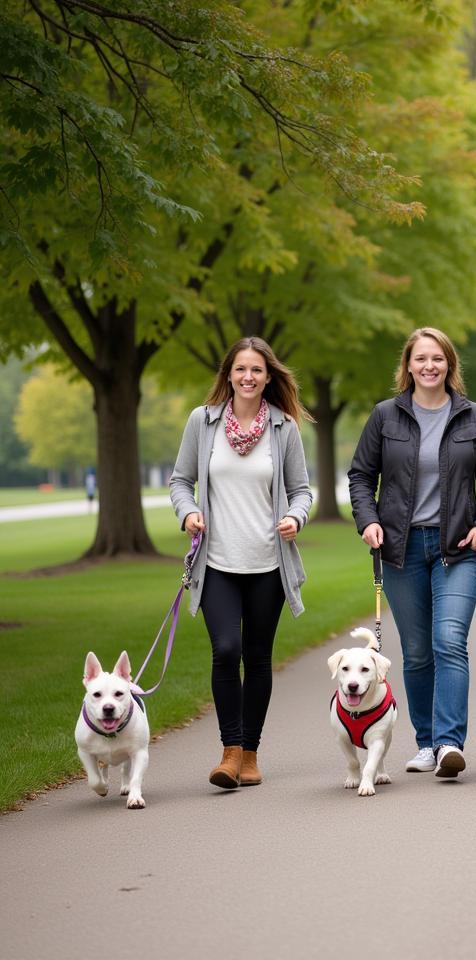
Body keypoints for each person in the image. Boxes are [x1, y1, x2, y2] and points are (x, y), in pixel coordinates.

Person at [348, 327, 476, 779]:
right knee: (417, 651)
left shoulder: (474, 417)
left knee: (449, 641)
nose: (429, 366)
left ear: (450, 364)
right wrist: (369, 520)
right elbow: (361, 475)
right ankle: (425, 742)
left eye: (437, 358)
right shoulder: (385, 417)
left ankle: (450, 744)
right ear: (409, 365)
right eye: (421, 359)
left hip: (457, 549)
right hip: (400, 549)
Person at [169, 336, 312, 790]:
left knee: (257, 656)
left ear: (269, 377)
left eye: (256, 370)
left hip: (269, 564)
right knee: (226, 650)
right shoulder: (202, 421)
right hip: (218, 564)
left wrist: (294, 516)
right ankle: (229, 752)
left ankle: (250, 753)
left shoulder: (284, 428)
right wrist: (188, 512)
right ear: (228, 375)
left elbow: (304, 490)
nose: (248, 377)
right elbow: (180, 481)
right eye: (240, 369)